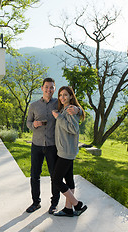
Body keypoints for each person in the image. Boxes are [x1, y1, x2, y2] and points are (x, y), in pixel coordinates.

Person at [26, 78, 79, 214]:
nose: (49, 90)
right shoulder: (34, 105)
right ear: (42, 88)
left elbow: (73, 106)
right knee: (34, 175)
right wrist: (33, 125)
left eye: (51, 87)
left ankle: (54, 203)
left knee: (54, 176)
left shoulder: (59, 103)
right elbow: (28, 123)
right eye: (46, 87)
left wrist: (78, 109)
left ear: (54, 89)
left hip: (53, 146)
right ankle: (36, 202)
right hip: (36, 145)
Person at [51, 86, 87, 217]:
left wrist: (59, 117)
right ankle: (68, 208)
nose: (62, 97)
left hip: (66, 151)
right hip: (66, 149)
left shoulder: (70, 109)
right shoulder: (68, 109)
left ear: (71, 96)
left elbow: (73, 129)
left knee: (56, 179)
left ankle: (77, 205)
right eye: (60, 95)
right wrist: (79, 110)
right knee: (69, 179)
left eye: (65, 95)